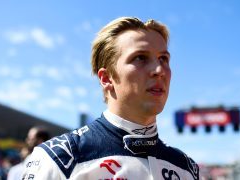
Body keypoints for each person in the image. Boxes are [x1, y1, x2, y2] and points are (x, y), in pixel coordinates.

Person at [22, 17, 199, 180]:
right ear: (106, 78)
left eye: (163, 59)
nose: (159, 70)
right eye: (141, 58)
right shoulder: (58, 159)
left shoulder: (186, 168)